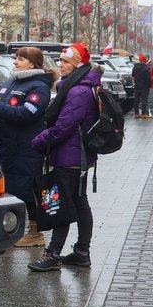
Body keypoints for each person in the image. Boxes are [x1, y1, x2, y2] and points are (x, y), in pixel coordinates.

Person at [27, 43, 102, 272]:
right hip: (78, 155)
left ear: (78, 65)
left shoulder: (78, 90)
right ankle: (81, 252)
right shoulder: (79, 85)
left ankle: (53, 254)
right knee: (79, 203)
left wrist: (38, 141)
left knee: (59, 203)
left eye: (66, 61)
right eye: (60, 60)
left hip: (70, 156)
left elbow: (63, 127)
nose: (60, 64)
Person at [0, 47, 55, 248]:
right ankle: (9, 230)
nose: (15, 62)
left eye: (21, 59)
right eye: (16, 58)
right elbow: (3, 107)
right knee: (9, 190)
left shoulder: (39, 86)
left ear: (33, 63)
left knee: (28, 190)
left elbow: (27, 113)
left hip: (26, 147)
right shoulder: (12, 82)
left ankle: (36, 233)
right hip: (7, 145)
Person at [132, 53, 150, 118]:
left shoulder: (135, 67)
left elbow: (133, 76)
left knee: (136, 100)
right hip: (144, 86)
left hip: (137, 86)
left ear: (139, 60)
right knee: (144, 100)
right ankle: (143, 114)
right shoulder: (146, 68)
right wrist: (148, 86)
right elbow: (148, 78)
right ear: (145, 60)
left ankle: (136, 114)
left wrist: (136, 82)